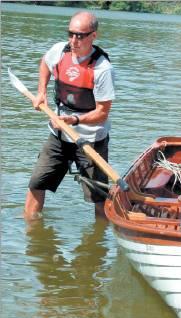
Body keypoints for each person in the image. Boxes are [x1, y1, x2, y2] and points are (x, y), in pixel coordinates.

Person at [24, 11, 115, 220]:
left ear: (94, 36)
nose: (74, 40)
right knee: (36, 183)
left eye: (81, 35)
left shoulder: (103, 69)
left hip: (90, 140)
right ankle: (31, 234)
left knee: (99, 198)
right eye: (71, 34)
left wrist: (74, 120)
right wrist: (41, 92)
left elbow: (102, 113)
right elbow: (45, 63)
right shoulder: (59, 50)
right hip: (58, 136)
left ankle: (99, 237)